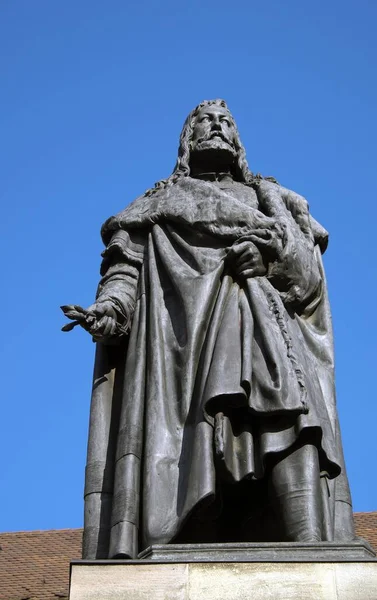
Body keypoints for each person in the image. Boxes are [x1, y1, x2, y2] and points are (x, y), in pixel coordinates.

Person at [63, 99, 355, 559]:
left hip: (269, 340)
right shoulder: (157, 204)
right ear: (187, 140)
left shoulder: (272, 200)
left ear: (237, 141)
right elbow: (125, 273)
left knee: (290, 418)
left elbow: (310, 278)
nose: (217, 127)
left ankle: (314, 551)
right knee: (199, 447)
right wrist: (108, 311)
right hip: (187, 358)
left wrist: (271, 261)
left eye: (226, 122)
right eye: (205, 121)